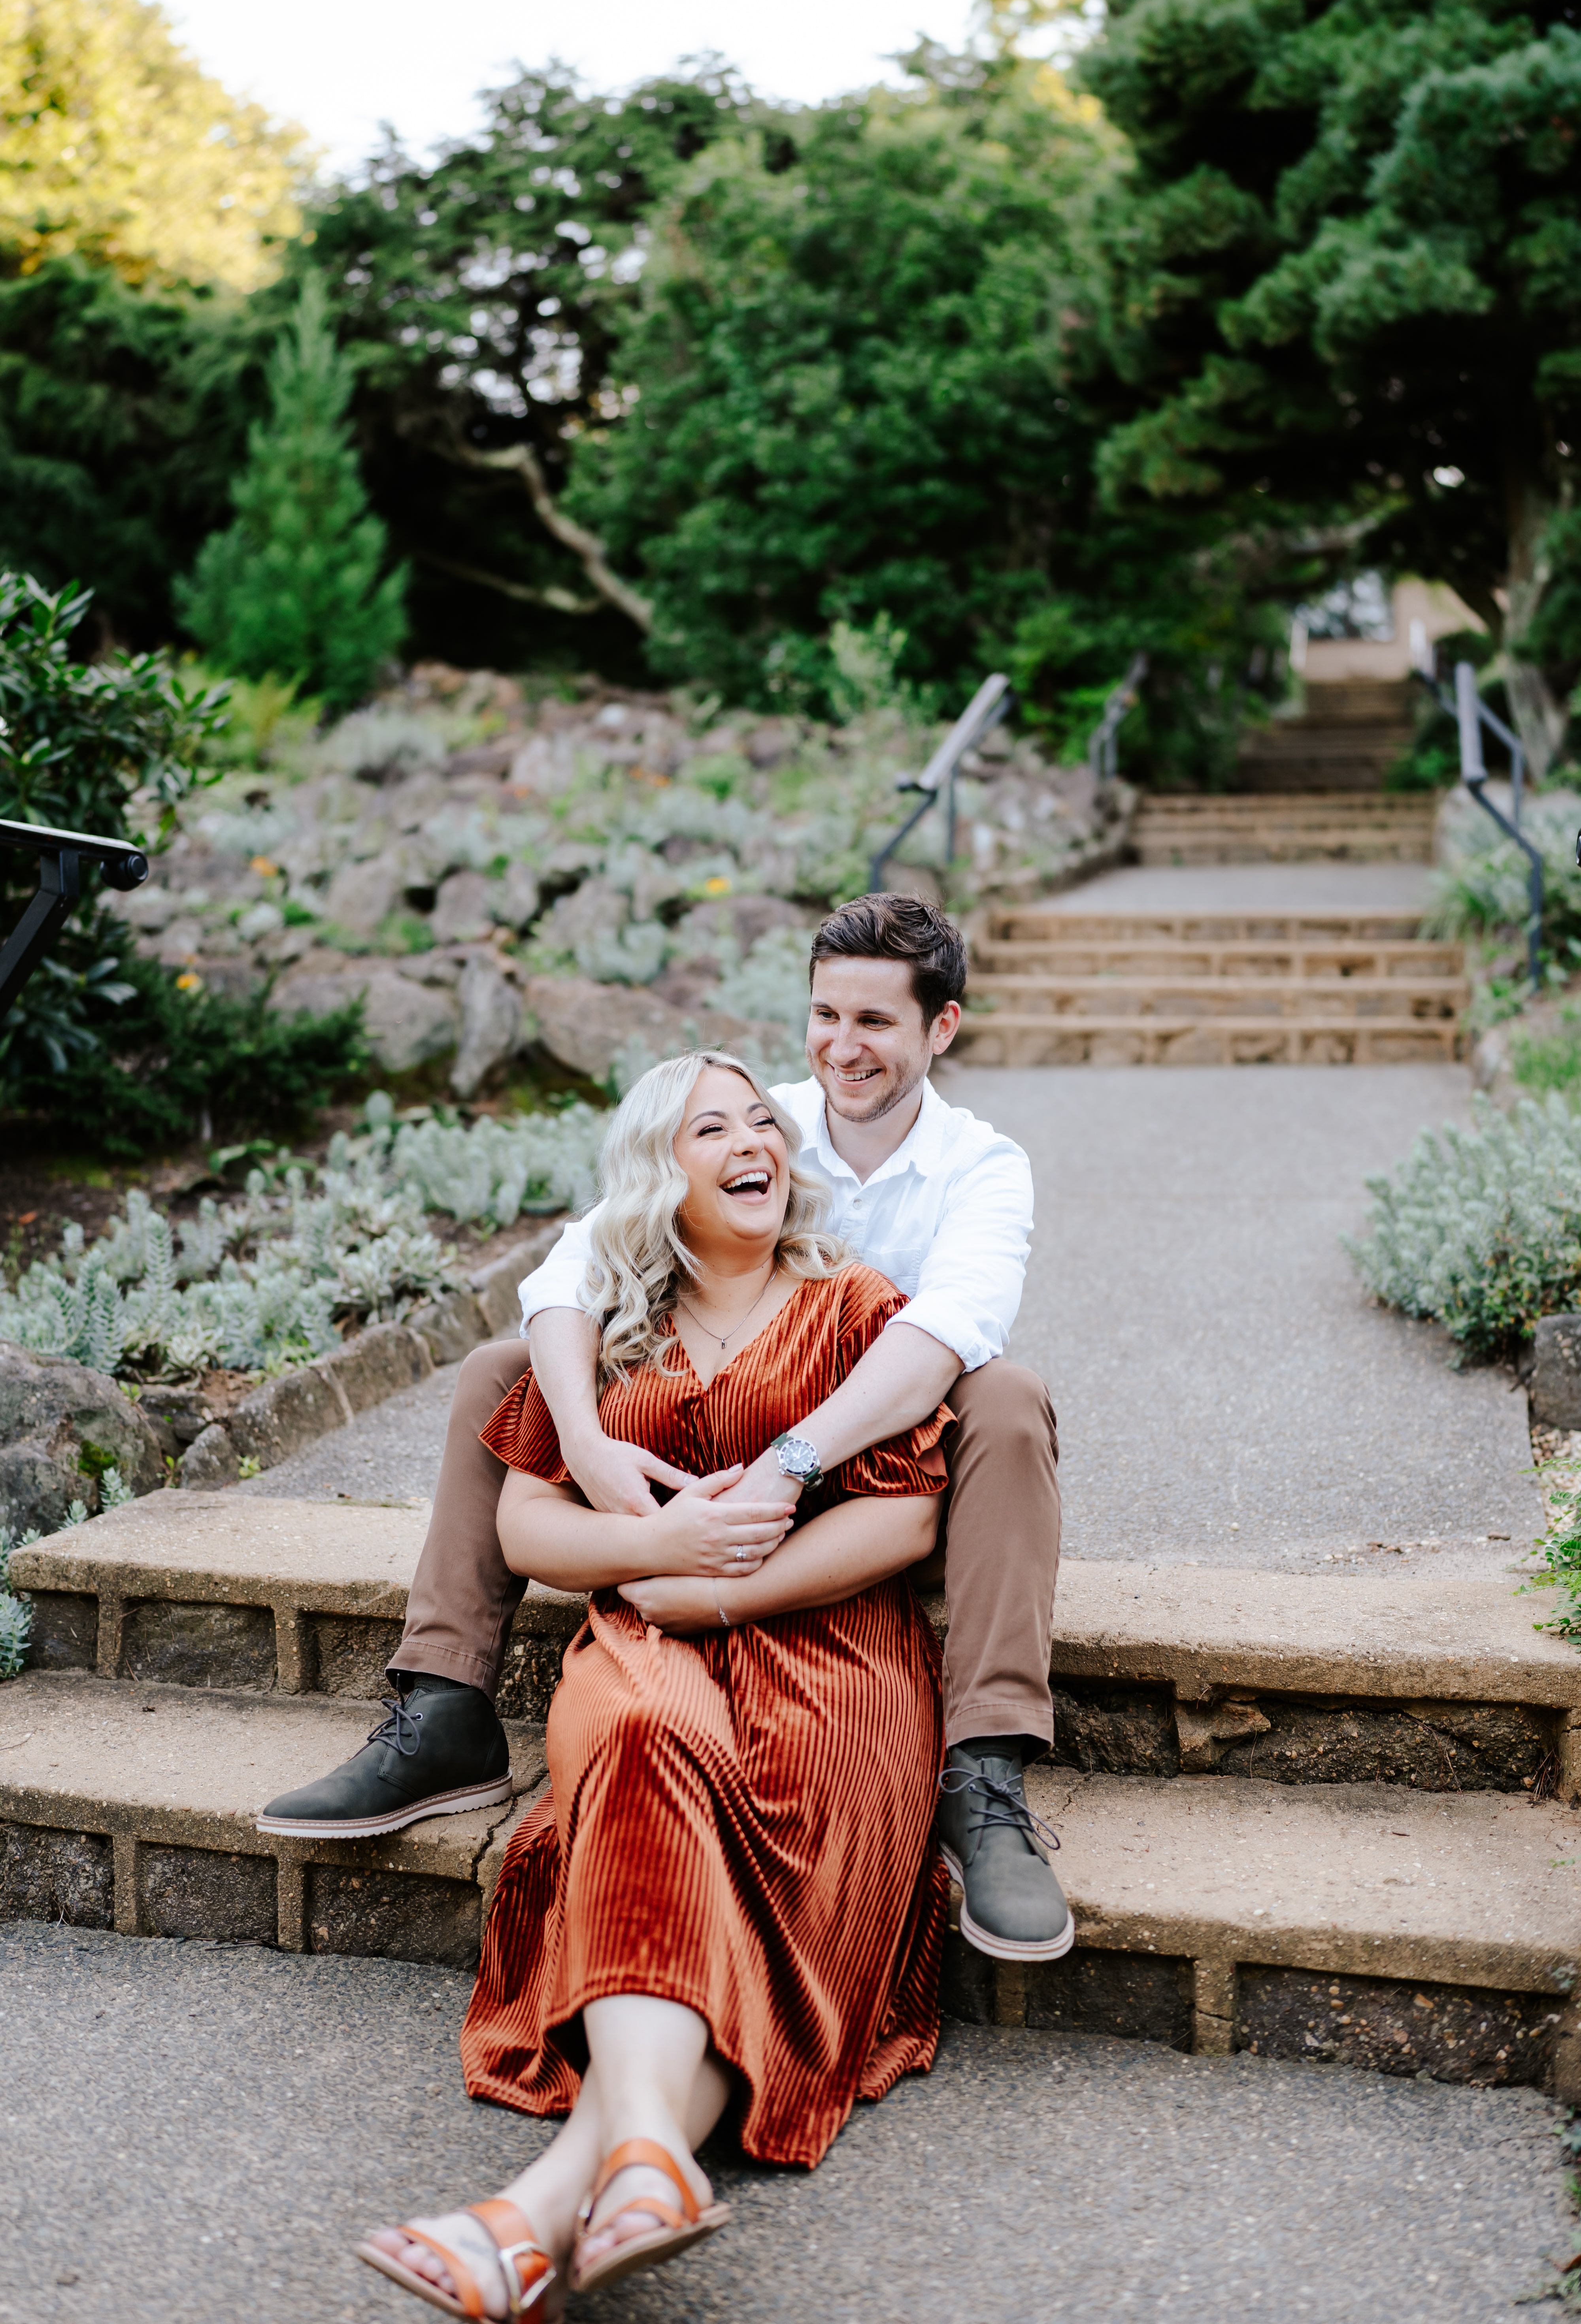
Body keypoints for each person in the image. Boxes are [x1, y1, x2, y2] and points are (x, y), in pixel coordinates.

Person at [260, 893, 1068, 1962]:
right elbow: (567, 1270)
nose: (843, 1047)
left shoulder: (983, 1167)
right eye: (827, 1016)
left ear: (942, 1029)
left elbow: (946, 1332)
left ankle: (986, 1770)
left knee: (1009, 1399)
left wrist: (792, 1463)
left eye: (876, 1023)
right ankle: (446, 1703)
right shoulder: (756, 1123)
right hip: (702, 1438)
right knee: (502, 1370)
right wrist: (587, 1443)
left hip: (876, 1460)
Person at [357, 1050, 952, 2316]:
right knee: (633, 1742)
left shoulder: (857, 1306)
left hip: (835, 1653)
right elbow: (529, 1528)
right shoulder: (610, 1325)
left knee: (760, 1891)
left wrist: (730, 1585)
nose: (756, 1142)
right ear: (657, 1172)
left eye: (763, 1123)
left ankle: (538, 2209)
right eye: (712, 1128)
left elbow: (905, 1520)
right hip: (646, 1637)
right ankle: (637, 2172)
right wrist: (654, 1552)